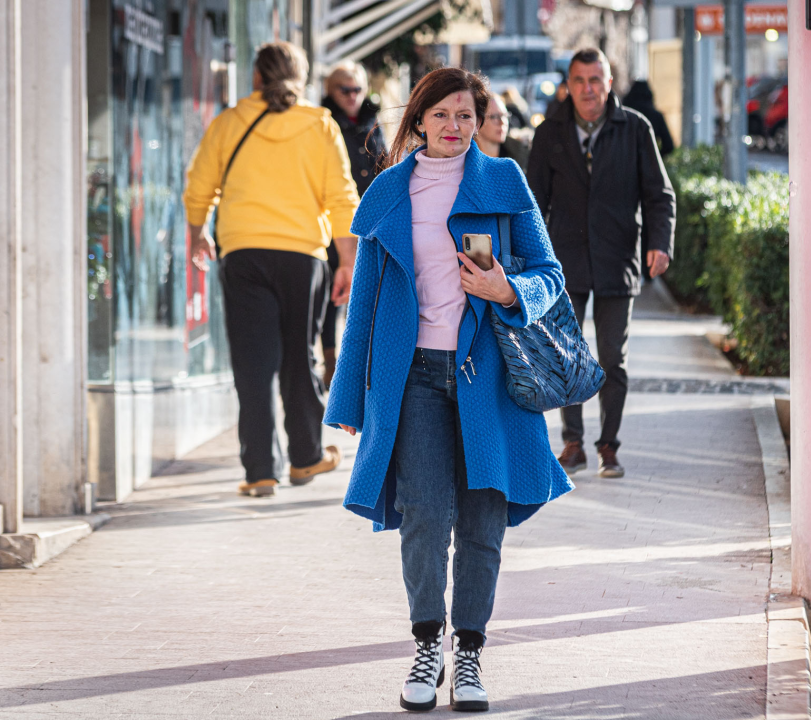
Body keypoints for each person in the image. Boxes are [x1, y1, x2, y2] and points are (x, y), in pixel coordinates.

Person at [324, 67, 573, 713]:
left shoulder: (503, 180)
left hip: (488, 378)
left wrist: (510, 290)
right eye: (442, 115)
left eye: (466, 115)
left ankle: (469, 654)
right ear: (418, 119)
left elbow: (550, 273)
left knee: (484, 522)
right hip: (412, 380)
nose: (454, 127)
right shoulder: (387, 193)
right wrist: (349, 399)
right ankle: (426, 643)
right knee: (426, 519)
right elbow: (366, 310)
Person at [184, 42, 359, 498]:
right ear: (300, 79)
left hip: (242, 251)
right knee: (300, 356)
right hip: (303, 255)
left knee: (252, 362)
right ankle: (305, 456)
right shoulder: (319, 125)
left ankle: (260, 469)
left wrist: (197, 232)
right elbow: (341, 196)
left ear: (257, 78)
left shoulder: (227, 122)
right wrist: (346, 260)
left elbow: (199, 184)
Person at [527, 48, 676, 478]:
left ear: (609, 83)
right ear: (567, 85)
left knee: (612, 358)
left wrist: (659, 243)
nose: (588, 89)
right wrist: (531, 260)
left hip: (617, 257)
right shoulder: (550, 132)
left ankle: (609, 446)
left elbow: (659, 195)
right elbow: (534, 203)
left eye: (596, 80)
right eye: (579, 80)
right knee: (568, 354)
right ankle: (572, 443)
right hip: (564, 261)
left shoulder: (635, 128)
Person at [321, 60, 387, 387]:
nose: (352, 95)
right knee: (331, 296)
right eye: (344, 89)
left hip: (368, 223)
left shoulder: (373, 122)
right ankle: (330, 364)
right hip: (333, 222)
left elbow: (384, 166)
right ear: (330, 91)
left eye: (357, 89)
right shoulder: (323, 124)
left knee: (363, 296)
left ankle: (357, 364)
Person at [475, 94, 530, 170]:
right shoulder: (463, 156)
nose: (502, 122)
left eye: (505, 116)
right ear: (478, 122)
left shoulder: (520, 154)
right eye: (494, 117)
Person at [622, 80, 675, 157]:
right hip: (648, 162)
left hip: (626, 160)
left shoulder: (624, 116)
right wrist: (654, 157)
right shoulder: (656, 116)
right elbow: (668, 146)